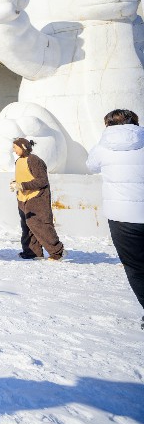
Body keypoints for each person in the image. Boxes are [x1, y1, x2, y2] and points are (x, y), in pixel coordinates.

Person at [86, 108, 144, 330]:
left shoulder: (103, 146)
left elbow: (90, 166)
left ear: (108, 124)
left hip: (122, 218)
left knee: (135, 266)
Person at [11, 137, 64, 260]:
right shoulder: (18, 161)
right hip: (22, 198)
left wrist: (22, 185)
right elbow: (24, 176)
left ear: (23, 147)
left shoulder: (34, 160)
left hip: (37, 197)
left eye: (15, 147)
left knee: (39, 224)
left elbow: (42, 180)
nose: (13, 150)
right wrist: (15, 183)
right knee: (27, 225)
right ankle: (32, 252)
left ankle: (57, 252)